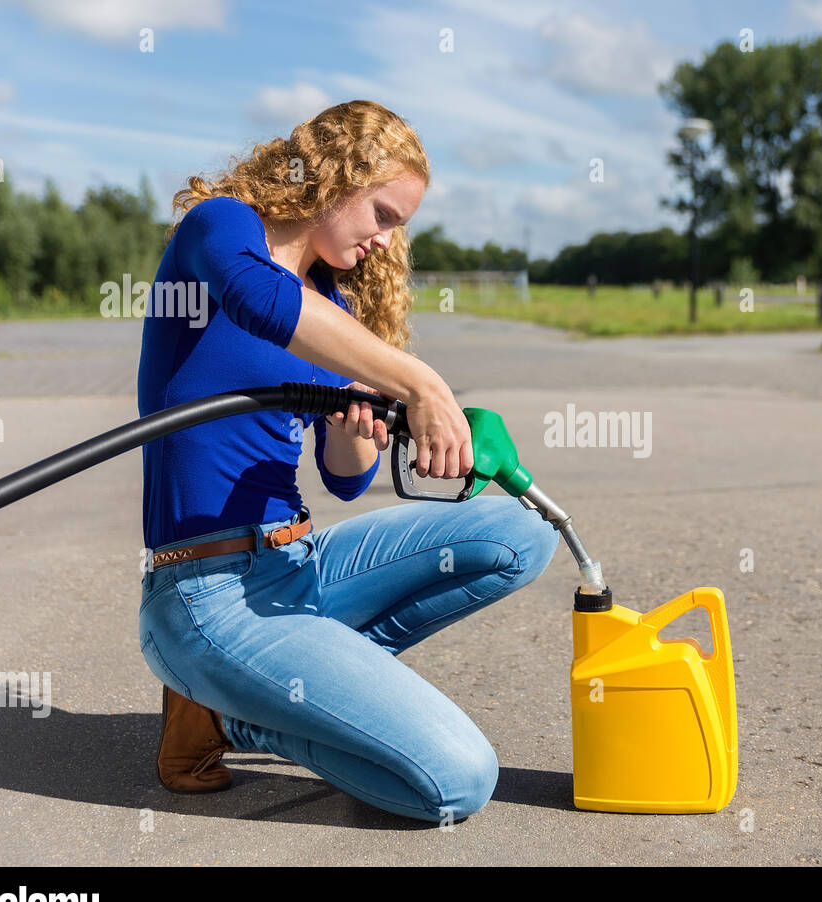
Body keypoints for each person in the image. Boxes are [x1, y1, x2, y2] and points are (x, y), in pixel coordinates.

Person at [137, 100, 559, 824]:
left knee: (522, 533)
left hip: (295, 565)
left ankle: (278, 690)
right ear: (335, 179)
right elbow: (256, 297)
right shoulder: (222, 225)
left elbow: (344, 477)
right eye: (384, 215)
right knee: (457, 781)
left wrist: (356, 420)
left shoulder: (334, 305)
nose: (388, 242)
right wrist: (418, 382)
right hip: (206, 593)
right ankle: (238, 716)